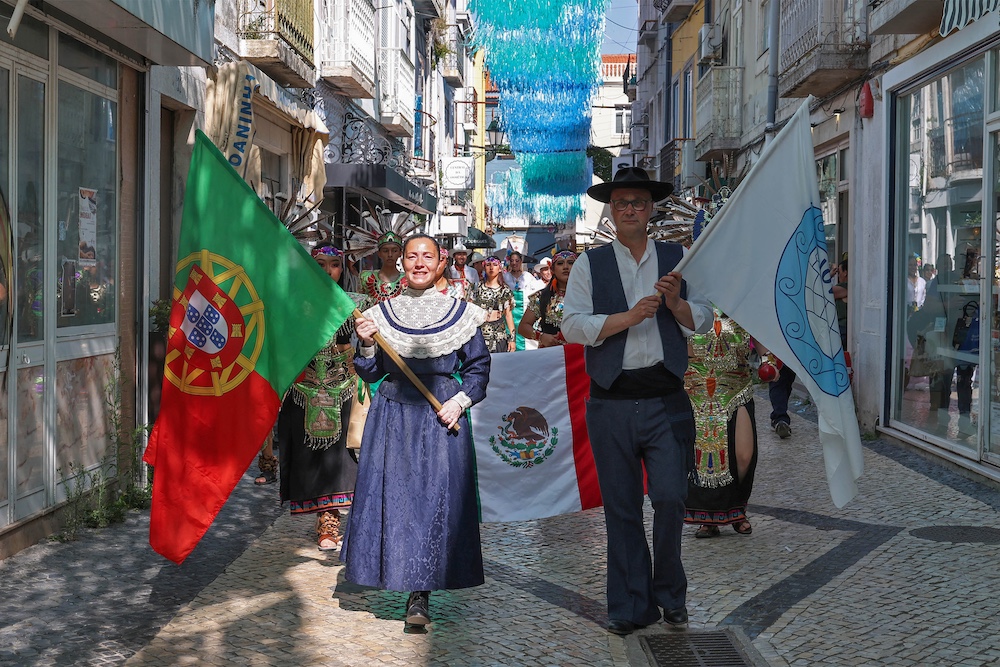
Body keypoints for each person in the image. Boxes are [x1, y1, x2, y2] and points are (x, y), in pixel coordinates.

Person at [562, 167, 713, 636]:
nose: (630, 209)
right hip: (609, 401)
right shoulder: (591, 264)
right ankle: (630, 605)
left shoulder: (678, 258)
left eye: (639, 203)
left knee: (670, 497)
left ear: (651, 209)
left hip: (666, 399)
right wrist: (625, 319)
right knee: (622, 507)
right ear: (612, 209)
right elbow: (571, 326)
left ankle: (671, 594)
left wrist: (676, 306)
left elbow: (704, 320)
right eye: (622, 202)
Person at [344, 234, 491, 629]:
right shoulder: (380, 313)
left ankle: (421, 592)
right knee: (396, 499)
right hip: (392, 414)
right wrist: (367, 346)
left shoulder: (461, 313)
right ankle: (400, 578)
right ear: (402, 263)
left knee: (434, 500)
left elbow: (477, 368)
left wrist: (459, 402)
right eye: (412, 257)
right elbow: (371, 373)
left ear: (441, 262)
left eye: (428, 256)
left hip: (440, 414)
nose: (419, 263)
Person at [278, 244, 371, 550]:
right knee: (308, 457)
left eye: (334, 264)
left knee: (339, 459)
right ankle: (322, 517)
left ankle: (330, 519)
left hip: (342, 386)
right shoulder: (291, 303)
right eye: (319, 263)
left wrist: (366, 341)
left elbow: (369, 348)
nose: (327, 270)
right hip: (303, 387)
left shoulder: (355, 303)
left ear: (342, 269)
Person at [684, 312, 757, 538]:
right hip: (696, 388)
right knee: (700, 457)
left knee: (744, 455)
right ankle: (708, 518)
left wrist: (770, 360)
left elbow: (761, 324)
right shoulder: (690, 291)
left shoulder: (742, 292)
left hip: (737, 385)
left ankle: (737, 508)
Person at [518, 250, 577, 348]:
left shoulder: (588, 295)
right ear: (552, 269)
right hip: (551, 355)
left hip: (581, 355)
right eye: (560, 263)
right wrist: (541, 337)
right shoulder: (541, 297)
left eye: (571, 263)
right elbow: (523, 327)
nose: (566, 267)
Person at [467, 256, 517, 352]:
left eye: (495, 265)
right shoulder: (475, 288)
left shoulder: (505, 291)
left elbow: (508, 315)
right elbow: (468, 310)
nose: (491, 268)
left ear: (500, 268)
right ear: (484, 267)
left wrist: (512, 339)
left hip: (498, 335)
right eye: (488, 265)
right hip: (478, 333)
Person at [503, 251, 542, 350]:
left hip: (524, 310)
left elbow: (535, 294)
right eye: (512, 261)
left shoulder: (528, 276)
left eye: (517, 260)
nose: (514, 263)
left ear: (521, 262)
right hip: (510, 311)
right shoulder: (505, 277)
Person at [358, 232, 406, 302]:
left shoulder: (407, 280)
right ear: (379, 253)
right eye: (385, 251)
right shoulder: (365, 277)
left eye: (394, 251)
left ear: (400, 253)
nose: (390, 255)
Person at [832, 259, 848, 350]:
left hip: (843, 329)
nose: (838, 275)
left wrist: (829, 275)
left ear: (845, 272)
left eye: (839, 271)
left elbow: (823, 292)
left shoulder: (845, 286)